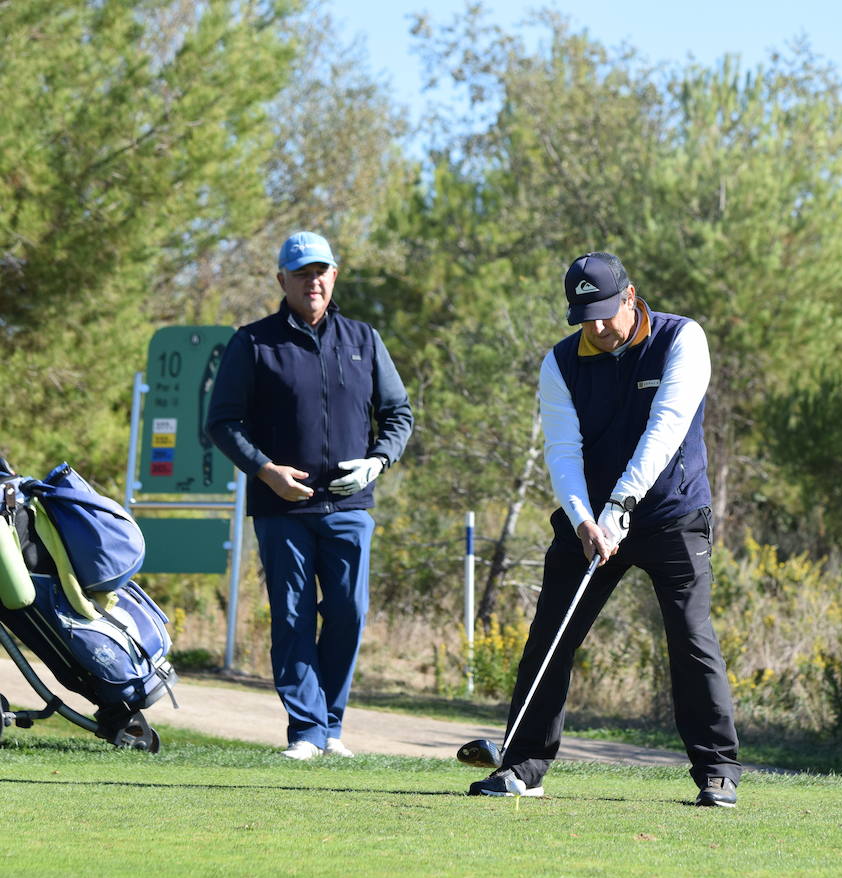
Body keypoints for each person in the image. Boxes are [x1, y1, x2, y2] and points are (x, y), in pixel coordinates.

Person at [468, 251, 742, 806]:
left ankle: (717, 771)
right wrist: (584, 519)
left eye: (604, 311)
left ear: (630, 295)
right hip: (591, 518)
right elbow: (563, 451)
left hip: (672, 514)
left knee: (690, 637)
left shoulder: (682, 339)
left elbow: (666, 427)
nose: (596, 326)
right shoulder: (561, 363)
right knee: (550, 634)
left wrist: (622, 503)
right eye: (583, 316)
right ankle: (520, 765)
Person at [206, 231, 413, 760]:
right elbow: (223, 423)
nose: (312, 281)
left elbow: (398, 415)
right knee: (293, 615)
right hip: (282, 508)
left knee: (349, 611)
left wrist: (377, 461)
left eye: (320, 271)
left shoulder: (363, 340)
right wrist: (265, 471)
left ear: (334, 276)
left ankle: (332, 724)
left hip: (348, 507)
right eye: (300, 273)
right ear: (282, 281)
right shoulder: (253, 343)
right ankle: (306, 730)